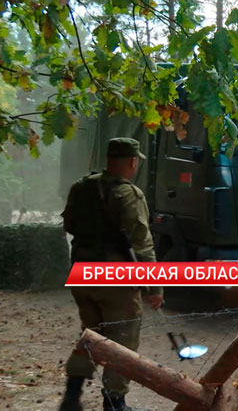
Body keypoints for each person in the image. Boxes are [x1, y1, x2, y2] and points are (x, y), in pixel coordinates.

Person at [60, 138, 164, 411]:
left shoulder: (81, 187)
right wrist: (154, 288)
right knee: (122, 339)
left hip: (82, 274)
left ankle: (72, 396)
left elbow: (69, 225)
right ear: (132, 162)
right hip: (114, 277)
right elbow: (143, 243)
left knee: (91, 334)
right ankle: (114, 402)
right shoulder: (129, 194)